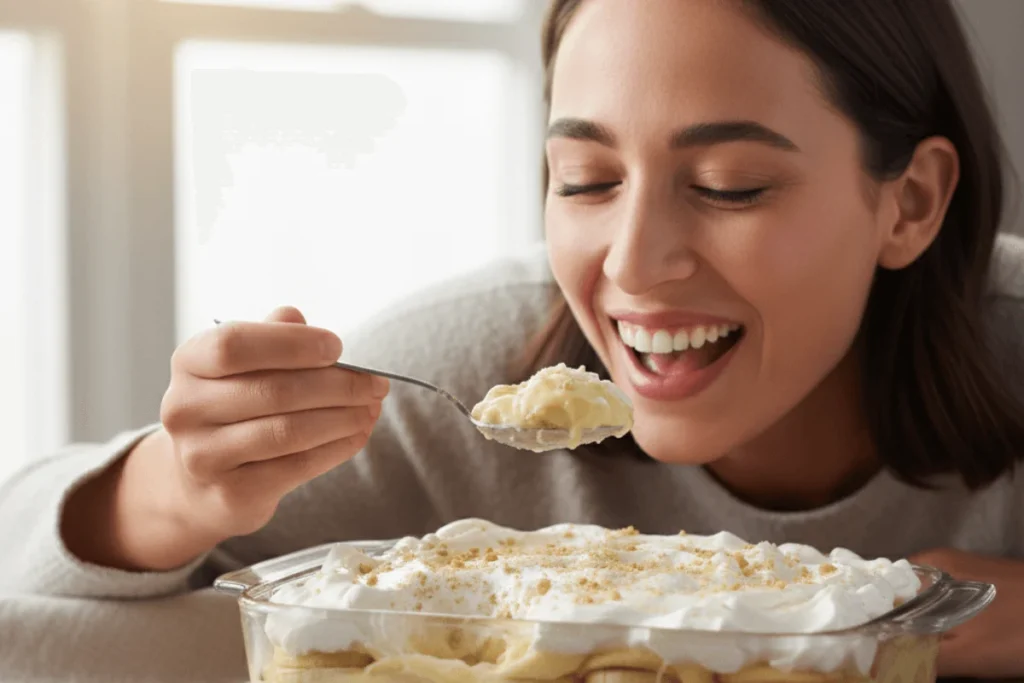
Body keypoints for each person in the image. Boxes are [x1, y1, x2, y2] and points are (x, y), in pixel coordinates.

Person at [2, 0, 1023, 678]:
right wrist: (172, 485)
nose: (631, 260)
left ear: (912, 201)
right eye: (585, 180)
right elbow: (24, 601)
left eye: (727, 187)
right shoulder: (467, 377)